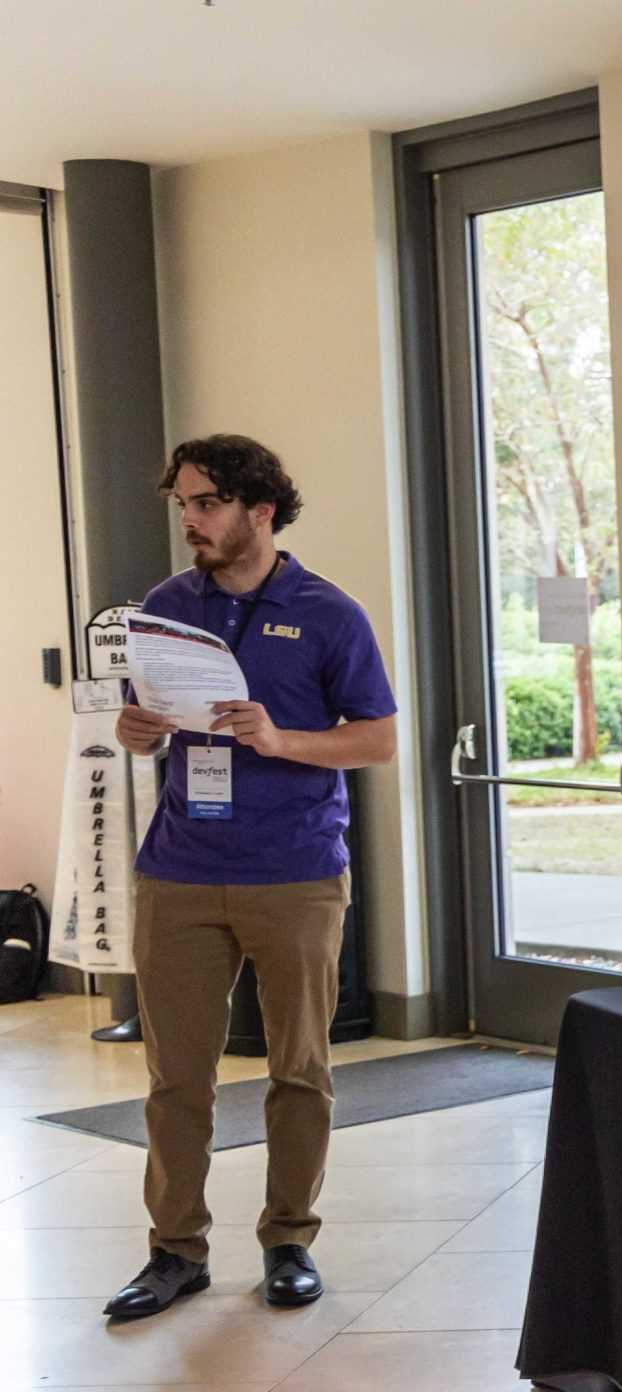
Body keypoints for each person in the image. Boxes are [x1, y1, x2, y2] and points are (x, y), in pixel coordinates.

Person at [104, 436, 399, 1320]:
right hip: (179, 872)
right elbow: (144, 713)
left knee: (298, 1067)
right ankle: (175, 1251)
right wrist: (137, 730)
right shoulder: (165, 606)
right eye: (183, 505)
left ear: (259, 510)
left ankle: (288, 1239)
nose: (189, 520)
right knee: (175, 1077)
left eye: (204, 504)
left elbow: (377, 737)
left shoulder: (327, 612)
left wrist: (280, 741)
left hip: (296, 871)